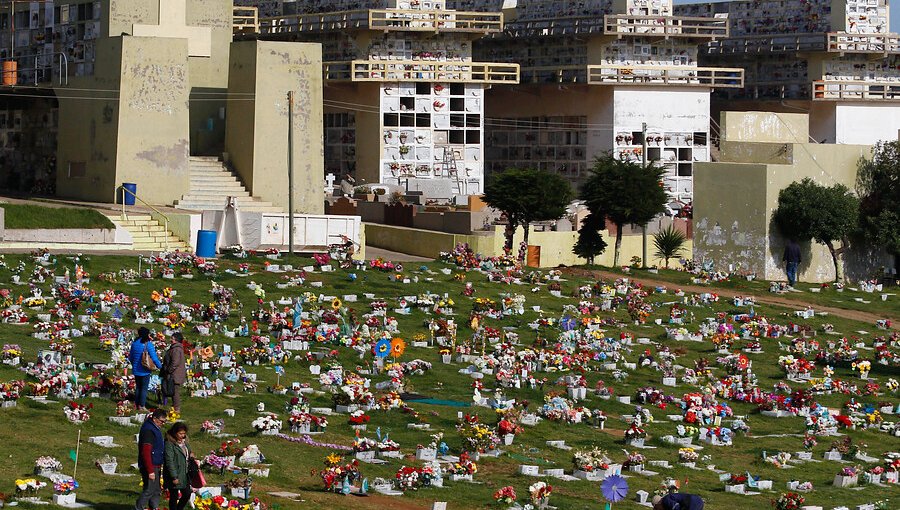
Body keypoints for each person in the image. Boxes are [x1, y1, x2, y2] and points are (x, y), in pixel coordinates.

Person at [135, 409, 167, 510]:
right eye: (161, 421)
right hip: (150, 465)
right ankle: (138, 508)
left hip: (156, 464)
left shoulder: (154, 428)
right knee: (149, 489)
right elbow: (146, 451)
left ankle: (154, 507)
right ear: (154, 419)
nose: (163, 423)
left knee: (156, 490)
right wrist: (150, 471)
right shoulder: (149, 430)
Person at [163, 421, 194, 510]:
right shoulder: (169, 443)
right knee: (174, 496)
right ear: (174, 432)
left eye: (184, 433)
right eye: (180, 433)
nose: (182, 435)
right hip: (175, 473)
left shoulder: (185, 442)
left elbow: (188, 451)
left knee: (187, 493)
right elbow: (169, 461)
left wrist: (191, 454)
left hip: (185, 473)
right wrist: (174, 476)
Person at [129, 327, 161, 410]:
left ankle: (136, 404)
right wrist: (160, 366)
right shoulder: (148, 344)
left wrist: (134, 364)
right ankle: (142, 405)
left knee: (138, 387)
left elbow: (131, 357)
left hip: (136, 369)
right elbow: (154, 358)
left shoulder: (134, 343)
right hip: (145, 369)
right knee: (144, 388)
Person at [161, 333, 187, 412]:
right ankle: (174, 407)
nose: (170, 340)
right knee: (173, 390)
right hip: (174, 373)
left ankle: (176, 408)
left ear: (176, 340)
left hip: (175, 374)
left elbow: (175, 362)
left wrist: (169, 370)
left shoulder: (176, 349)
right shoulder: (175, 348)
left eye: (172, 338)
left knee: (175, 391)